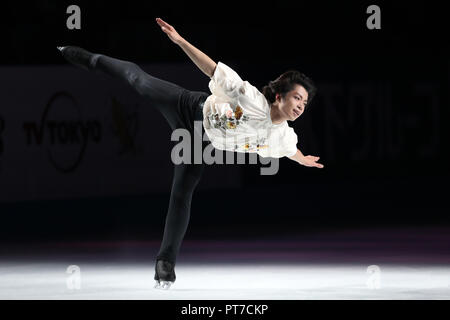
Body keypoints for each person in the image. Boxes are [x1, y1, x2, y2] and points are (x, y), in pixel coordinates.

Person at [57, 17, 324, 290]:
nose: (301, 105)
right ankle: (90, 59)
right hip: (188, 108)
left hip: (199, 144)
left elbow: (290, 150)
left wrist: (303, 159)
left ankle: (165, 264)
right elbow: (212, 69)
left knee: (182, 194)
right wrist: (180, 40)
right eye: (297, 97)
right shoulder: (250, 97)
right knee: (138, 79)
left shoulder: (283, 136)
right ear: (279, 96)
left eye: (305, 101)